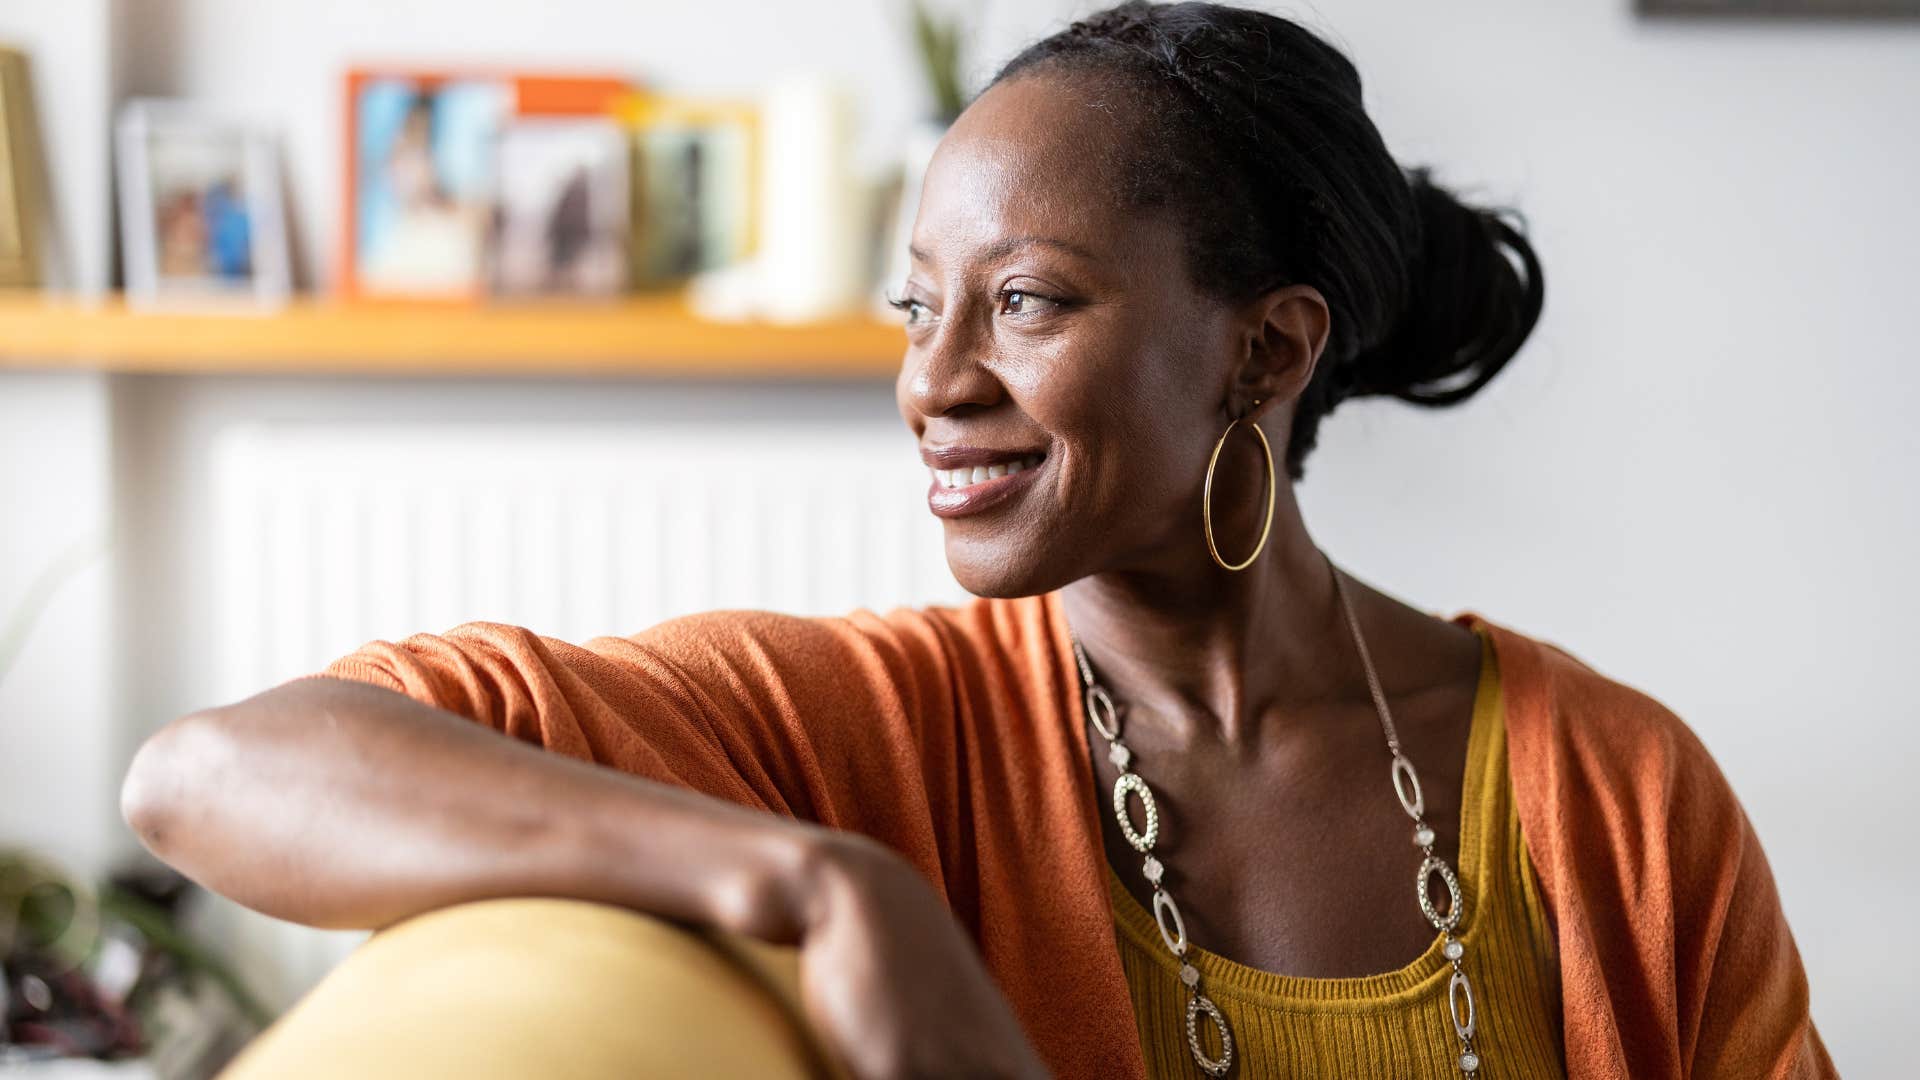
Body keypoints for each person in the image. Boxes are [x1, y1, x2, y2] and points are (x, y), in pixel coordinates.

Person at [120, 2, 1834, 1078]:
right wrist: (812, 881)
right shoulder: (851, 732)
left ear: (1268, 349)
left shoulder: (1614, 793)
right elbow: (213, 774)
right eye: (915, 306)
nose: (933, 383)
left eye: (1024, 303)